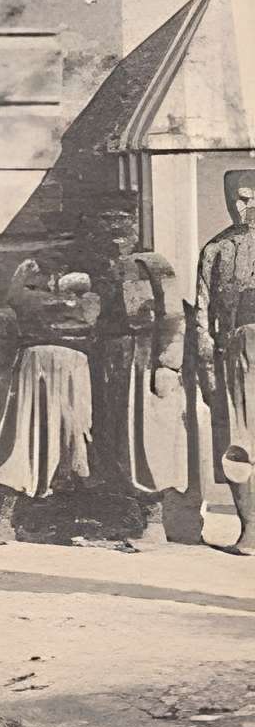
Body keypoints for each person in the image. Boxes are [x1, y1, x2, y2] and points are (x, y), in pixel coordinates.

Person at [0, 241, 100, 547]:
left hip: (71, 364)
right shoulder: (27, 284)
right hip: (36, 362)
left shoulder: (86, 290)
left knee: (73, 437)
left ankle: (69, 524)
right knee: (25, 437)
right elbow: (15, 302)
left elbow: (87, 317)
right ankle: (5, 523)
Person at [80, 190, 186, 551]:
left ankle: (154, 525)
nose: (114, 230)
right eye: (106, 221)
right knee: (110, 437)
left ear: (134, 223)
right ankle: (124, 521)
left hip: (143, 359)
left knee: (145, 438)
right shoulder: (94, 269)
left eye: (121, 222)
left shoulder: (154, 264)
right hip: (105, 359)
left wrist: (168, 364)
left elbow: (173, 316)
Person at [196, 168, 255, 556]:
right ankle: (251, 528)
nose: (247, 206)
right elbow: (202, 312)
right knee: (240, 442)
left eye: (252, 198)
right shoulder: (216, 250)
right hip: (235, 351)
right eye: (240, 198)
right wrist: (206, 362)